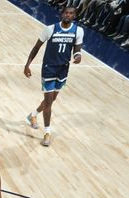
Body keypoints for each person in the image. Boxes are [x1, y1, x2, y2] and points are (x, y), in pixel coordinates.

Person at [23, 5, 84, 147]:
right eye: (66, 13)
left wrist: (78, 56)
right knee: (49, 101)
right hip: (49, 69)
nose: (68, 15)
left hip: (63, 69)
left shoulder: (78, 31)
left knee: (52, 99)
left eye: (71, 13)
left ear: (74, 16)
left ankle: (32, 115)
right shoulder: (50, 29)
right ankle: (47, 133)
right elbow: (36, 47)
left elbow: (77, 48)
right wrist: (27, 65)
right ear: (61, 14)